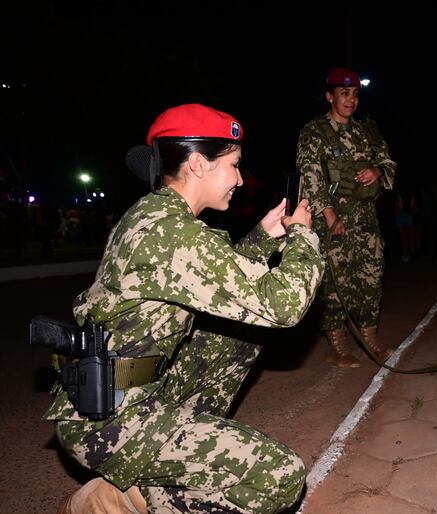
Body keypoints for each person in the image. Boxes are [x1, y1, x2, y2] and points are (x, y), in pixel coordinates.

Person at [45, 103, 324, 513]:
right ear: (197, 164)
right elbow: (282, 305)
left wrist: (265, 237)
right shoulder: (172, 232)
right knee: (279, 477)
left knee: (235, 338)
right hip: (109, 421)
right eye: (234, 165)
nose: (240, 179)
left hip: (120, 391)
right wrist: (302, 235)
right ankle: (123, 499)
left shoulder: (158, 215)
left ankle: (143, 483)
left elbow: (215, 279)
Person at [296, 67, 397, 368]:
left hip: (365, 218)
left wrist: (378, 171)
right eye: (344, 94)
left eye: (354, 94)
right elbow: (310, 175)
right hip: (332, 219)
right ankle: (337, 345)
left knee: (371, 277)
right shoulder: (314, 133)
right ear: (330, 96)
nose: (351, 100)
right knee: (335, 282)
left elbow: (389, 162)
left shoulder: (367, 132)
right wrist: (327, 215)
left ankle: (370, 339)